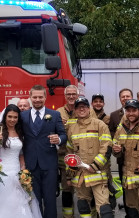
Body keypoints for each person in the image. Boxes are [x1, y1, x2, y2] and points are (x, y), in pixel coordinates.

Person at [0, 104, 42, 218]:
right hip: (2, 171)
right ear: (5, 117)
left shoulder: (20, 131)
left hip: (16, 170)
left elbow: (21, 153)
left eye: (15, 117)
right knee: (0, 202)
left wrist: (23, 169)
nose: (12, 120)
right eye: (10, 116)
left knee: (19, 202)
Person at [21, 85, 67, 218]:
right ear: (30, 98)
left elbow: (64, 135)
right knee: (34, 200)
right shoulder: (22, 116)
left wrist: (58, 139)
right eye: (34, 97)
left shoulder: (54, 114)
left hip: (49, 164)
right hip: (30, 165)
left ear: (45, 97)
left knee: (50, 200)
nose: (37, 100)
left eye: (40, 97)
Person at [65, 97, 113, 218]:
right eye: (78, 107)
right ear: (75, 110)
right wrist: (69, 175)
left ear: (88, 108)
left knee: (104, 208)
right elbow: (70, 153)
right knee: (83, 205)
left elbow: (106, 147)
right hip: (81, 176)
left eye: (84, 106)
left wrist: (96, 165)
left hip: (97, 173)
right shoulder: (72, 128)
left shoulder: (99, 125)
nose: (81, 109)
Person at [55, 85, 95, 218]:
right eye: (68, 94)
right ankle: (68, 216)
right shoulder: (58, 112)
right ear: (65, 96)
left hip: (85, 159)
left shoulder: (89, 111)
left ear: (78, 95)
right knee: (67, 189)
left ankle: (92, 214)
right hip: (65, 158)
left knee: (88, 189)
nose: (71, 96)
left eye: (74, 94)